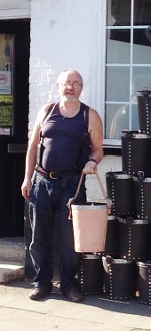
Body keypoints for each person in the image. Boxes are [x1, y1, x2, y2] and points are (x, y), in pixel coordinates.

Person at [21, 69, 104, 303]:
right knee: (38, 238)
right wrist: (28, 178)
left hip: (72, 186)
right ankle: (42, 283)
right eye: (67, 83)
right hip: (41, 183)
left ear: (81, 88)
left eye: (76, 83)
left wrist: (92, 161)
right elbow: (32, 146)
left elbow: (98, 149)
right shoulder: (46, 111)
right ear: (57, 86)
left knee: (70, 240)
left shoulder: (90, 115)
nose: (71, 87)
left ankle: (68, 285)